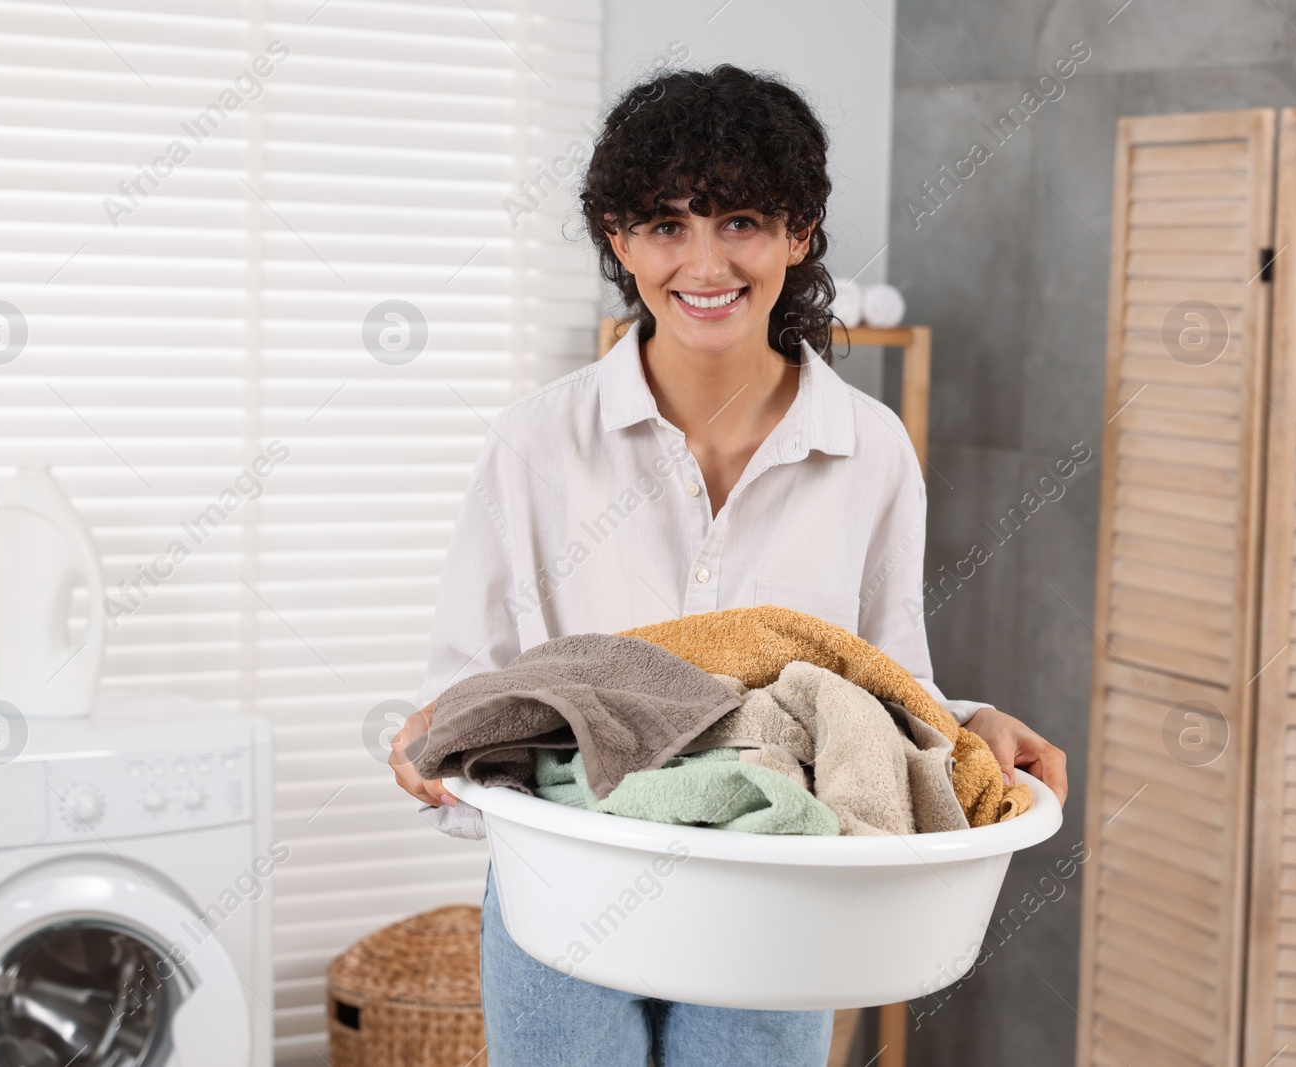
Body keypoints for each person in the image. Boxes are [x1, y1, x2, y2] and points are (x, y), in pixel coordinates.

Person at [390, 62, 1068, 1066]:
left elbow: (879, 681)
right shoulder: (535, 444)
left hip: (778, 887)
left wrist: (965, 725)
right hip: (571, 878)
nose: (705, 262)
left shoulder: (868, 448)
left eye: (741, 219)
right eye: (666, 225)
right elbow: (470, 681)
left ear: (798, 232)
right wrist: (436, 733)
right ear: (618, 241)